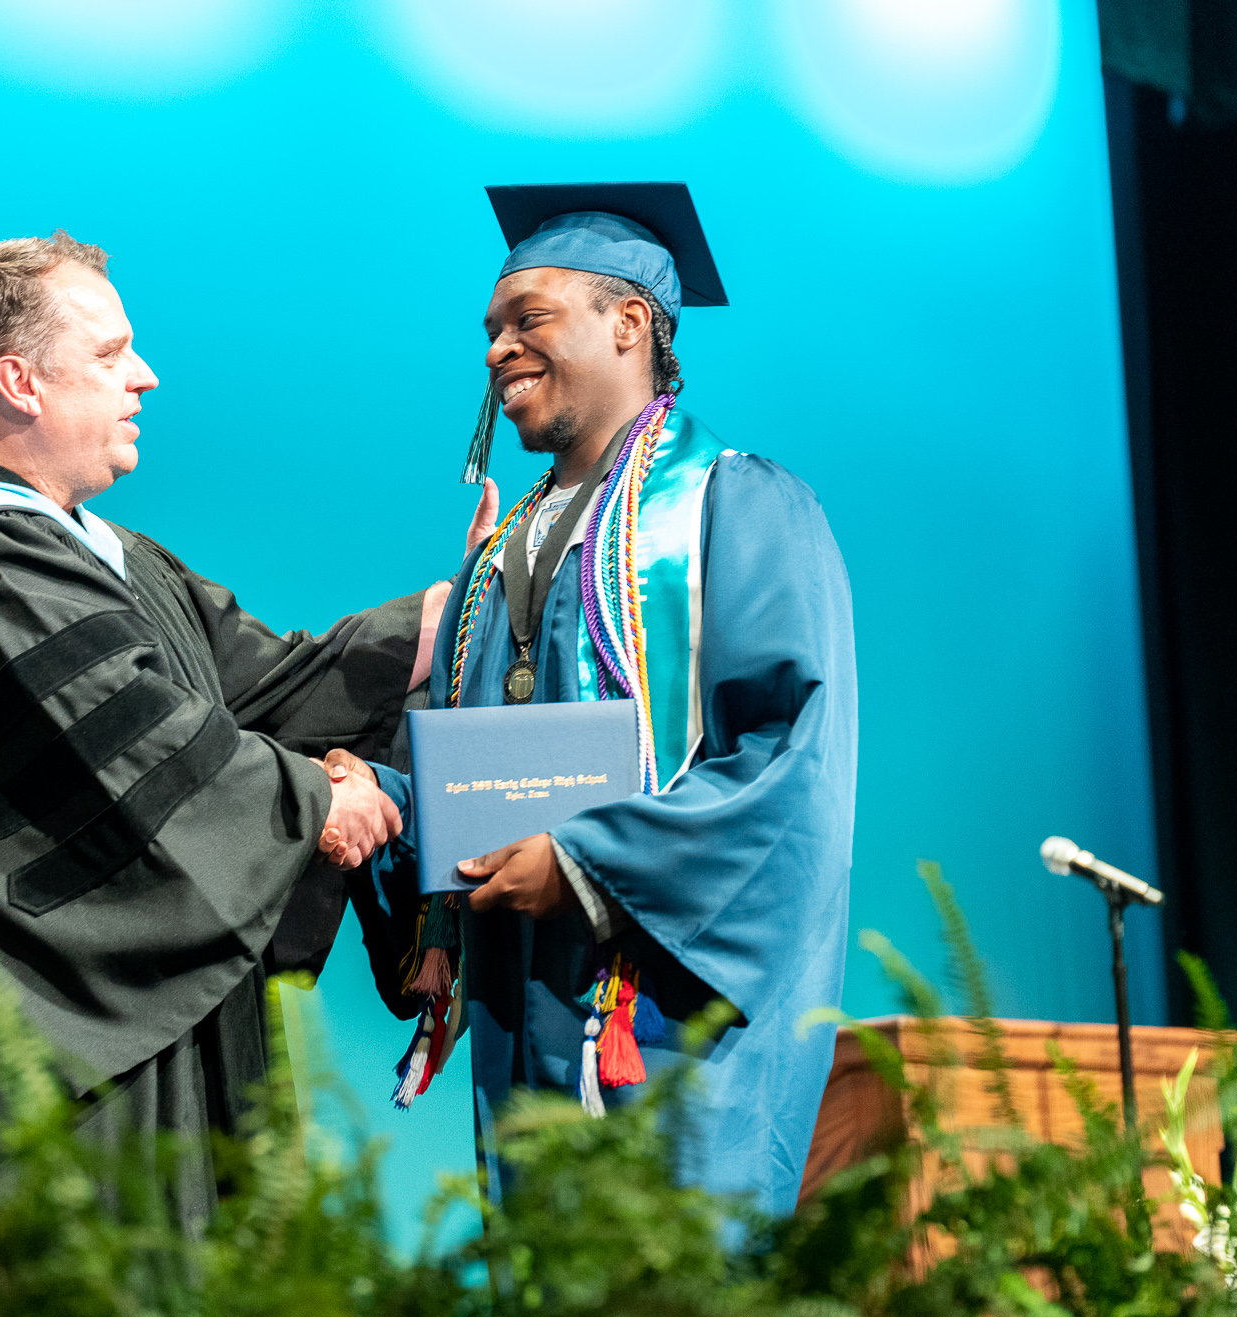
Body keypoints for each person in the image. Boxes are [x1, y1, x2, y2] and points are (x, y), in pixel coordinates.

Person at [0, 230, 455, 1233]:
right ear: (18, 380)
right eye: (110, 354)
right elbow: (150, 755)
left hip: (85, 1069)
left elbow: (264, 691)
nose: (145, 377)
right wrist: (321, 802)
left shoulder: (95, 552)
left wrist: (465, 610)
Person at [352, 183, 858, 1216]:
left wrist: (585, 862)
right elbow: (464, 776)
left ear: (629, 323)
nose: (496, 349)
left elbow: (785, 761)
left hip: (662, 1015)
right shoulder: (500, 554)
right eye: (490, 329)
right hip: (514, 1002)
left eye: (526, 319)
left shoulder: (737, 505)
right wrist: (377, 802)